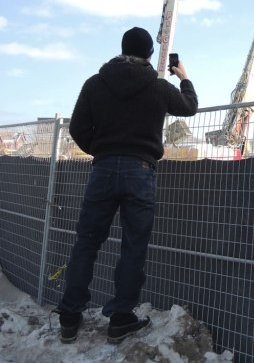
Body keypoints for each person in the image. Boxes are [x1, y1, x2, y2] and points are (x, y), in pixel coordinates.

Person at [53, 27, 198, 344]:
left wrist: (102, 151)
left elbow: (77, 127)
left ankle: (69, 316)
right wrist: (183, 77)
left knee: (86, 244)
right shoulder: (158, 87)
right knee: (133, 248)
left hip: (103, 170)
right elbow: (189, 106)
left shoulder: (95, 83)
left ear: (121, 50)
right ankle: (120, 319)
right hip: (140, 172)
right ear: (149, 55)